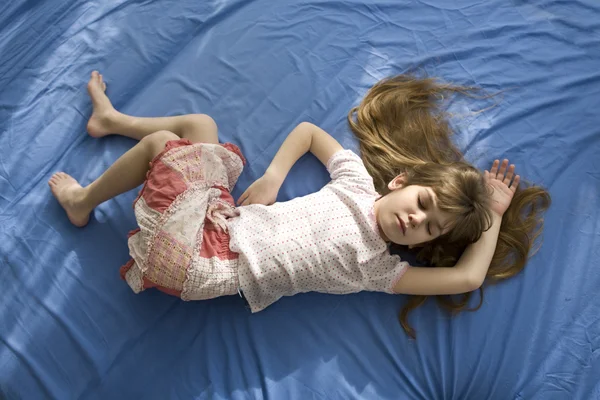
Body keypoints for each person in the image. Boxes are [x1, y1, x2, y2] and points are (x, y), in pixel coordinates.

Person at [48, 71, 542, 337]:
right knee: (199, 125)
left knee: (164, 143)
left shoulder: (375, 268)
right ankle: (111, 120)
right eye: (423, 203)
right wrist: (271, 178)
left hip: (202, 264)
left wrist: (494, 217)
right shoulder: (354, 185)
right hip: (220, 221)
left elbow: (466, 278)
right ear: (399, 181)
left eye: (430, 229)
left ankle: (81, 200)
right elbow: (308, 133)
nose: (416, 221)